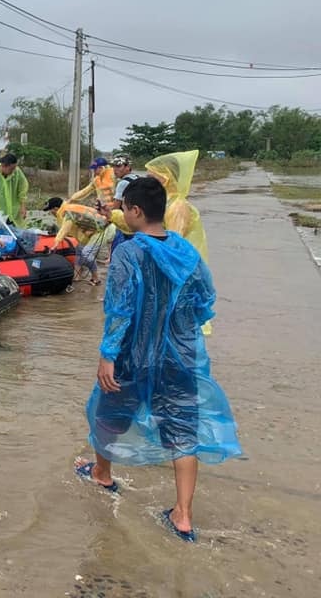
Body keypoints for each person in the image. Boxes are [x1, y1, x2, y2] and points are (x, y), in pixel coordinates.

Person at [74, 176, 242, 542]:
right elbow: (205, 298)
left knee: (108, 412)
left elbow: (118, 310)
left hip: (134, 355)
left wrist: (107, 355)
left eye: (125, 208)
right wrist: (179, 334)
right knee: (183, 428)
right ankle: (183, 514)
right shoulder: (185, 252)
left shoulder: (129, 252)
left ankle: (102, 474)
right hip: (179, 357)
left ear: (135, 210)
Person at [42, 197, 109, 285]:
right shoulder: (68, 208)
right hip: (94, 230)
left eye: (50, 211)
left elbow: (64, 229)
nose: (51, 213)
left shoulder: (68, 213)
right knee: (79, 249)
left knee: (86, 254)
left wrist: (55, 244)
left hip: (103, 230)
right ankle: (77, 276)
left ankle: (96, 278)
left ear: (55, 209)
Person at [100, 156, 141, 253]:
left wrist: (106, 220)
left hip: (124, 223)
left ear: (128, 167)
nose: (115, 169)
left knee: (118, 254)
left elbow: (115, 208)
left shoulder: (123, 183)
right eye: (114, 166)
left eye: (119, 166)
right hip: (138, 224)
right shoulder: (137, 179)